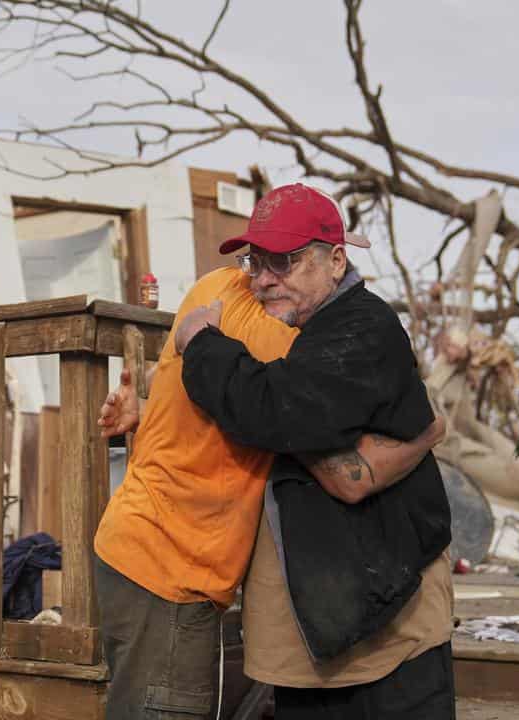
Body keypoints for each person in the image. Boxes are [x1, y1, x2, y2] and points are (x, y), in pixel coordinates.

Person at [93, 186, 447, 719]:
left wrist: (181, 362)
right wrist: (428, 432)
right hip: (169, 568)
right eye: (257, 260)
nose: (263, 277)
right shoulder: (274, 326)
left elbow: (277, 404)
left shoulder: (307, 324)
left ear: (336, 259)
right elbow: (301, 432)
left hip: (372, 624)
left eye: (284, 260)